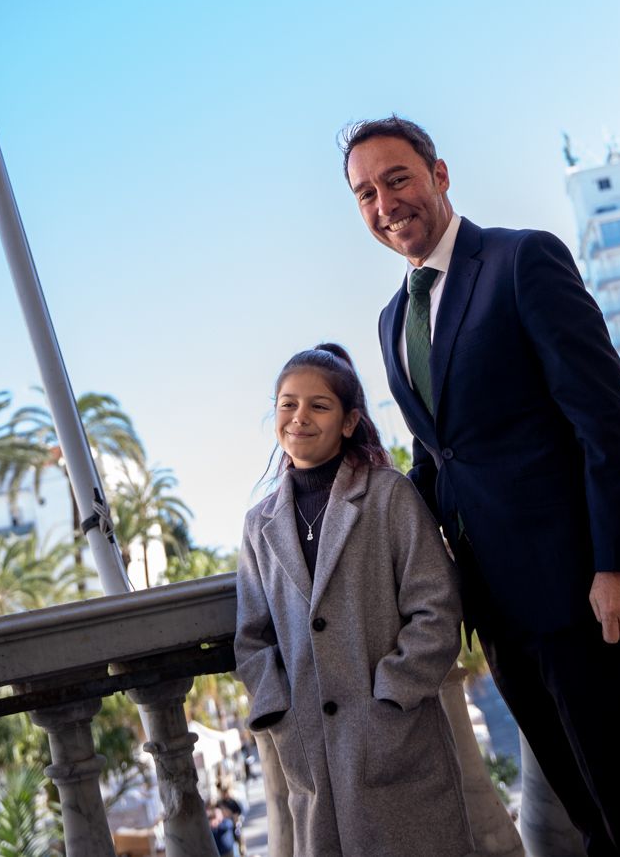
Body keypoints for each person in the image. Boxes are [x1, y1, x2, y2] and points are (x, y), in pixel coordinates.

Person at [342, 115, 620, 857]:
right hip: (496, 610)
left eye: (397, 179)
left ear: (439, 175)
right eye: (366, 193)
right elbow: (437, 458)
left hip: (581, 590)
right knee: (589, 817)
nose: (385, 204)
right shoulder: (392, 321)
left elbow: (603, 419)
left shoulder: (521, 259)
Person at [234, 344, 474, 857]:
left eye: (319, 405)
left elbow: (436, 607)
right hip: (311, 762)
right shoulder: (259, 525)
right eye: (287, 404)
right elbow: (252, 639)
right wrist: (282, 720)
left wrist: (391, 697)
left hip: (398, 744)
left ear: (348, 422)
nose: (300, 416)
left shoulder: (388, 495)